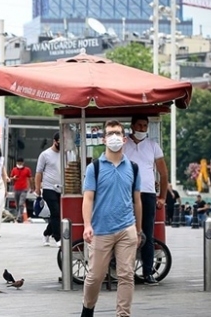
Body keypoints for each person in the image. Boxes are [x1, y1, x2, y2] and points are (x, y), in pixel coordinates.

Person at [81, 120, 143, 317]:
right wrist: (87, 225)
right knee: (95, 277)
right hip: (101, 230)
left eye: (117, 133)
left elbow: (137, 201)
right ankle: (88, 308)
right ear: (103, 139)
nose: (114, 137)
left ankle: (123, 314)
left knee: (126, 275)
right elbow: (88, 198)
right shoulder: (95, 168)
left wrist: (138, 229)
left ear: (124, 139)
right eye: (110, 133)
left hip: (127, 228)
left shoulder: (133, 168)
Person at [123, 115, 168, 286]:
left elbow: (163, 173)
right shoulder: (124, 144)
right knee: (124, 232)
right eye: (139, 125)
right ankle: (123, 270)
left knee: (147, 234)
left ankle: (147, 272)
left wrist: (162, 197)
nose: (142, 129)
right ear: (132, 126)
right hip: (126, 192)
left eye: (145, 126)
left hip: (148, 193)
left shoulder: (153, 146)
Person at [35, 132, 62, 247]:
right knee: (55, 212)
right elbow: (38, 172)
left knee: (60, 214)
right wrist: (37, 188)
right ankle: (58, 238)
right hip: (48, 187)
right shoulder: (45, 155)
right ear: (54, 141)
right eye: (59, 143)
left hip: (62, 188)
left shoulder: (66, 153)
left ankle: (47, 233)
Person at [10, 157, 32, 223]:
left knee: (21, 203)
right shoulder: (14, 170)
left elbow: (30, 178)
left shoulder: (27, 170)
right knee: (17, 204)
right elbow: (10, 178)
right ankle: (19, 215)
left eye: (20, 163)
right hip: (16, 188)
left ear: (23, 163)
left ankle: (19, 217)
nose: (19, 164)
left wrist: (31, 187)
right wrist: (13, 178)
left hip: (24, 189)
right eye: (18, 163)